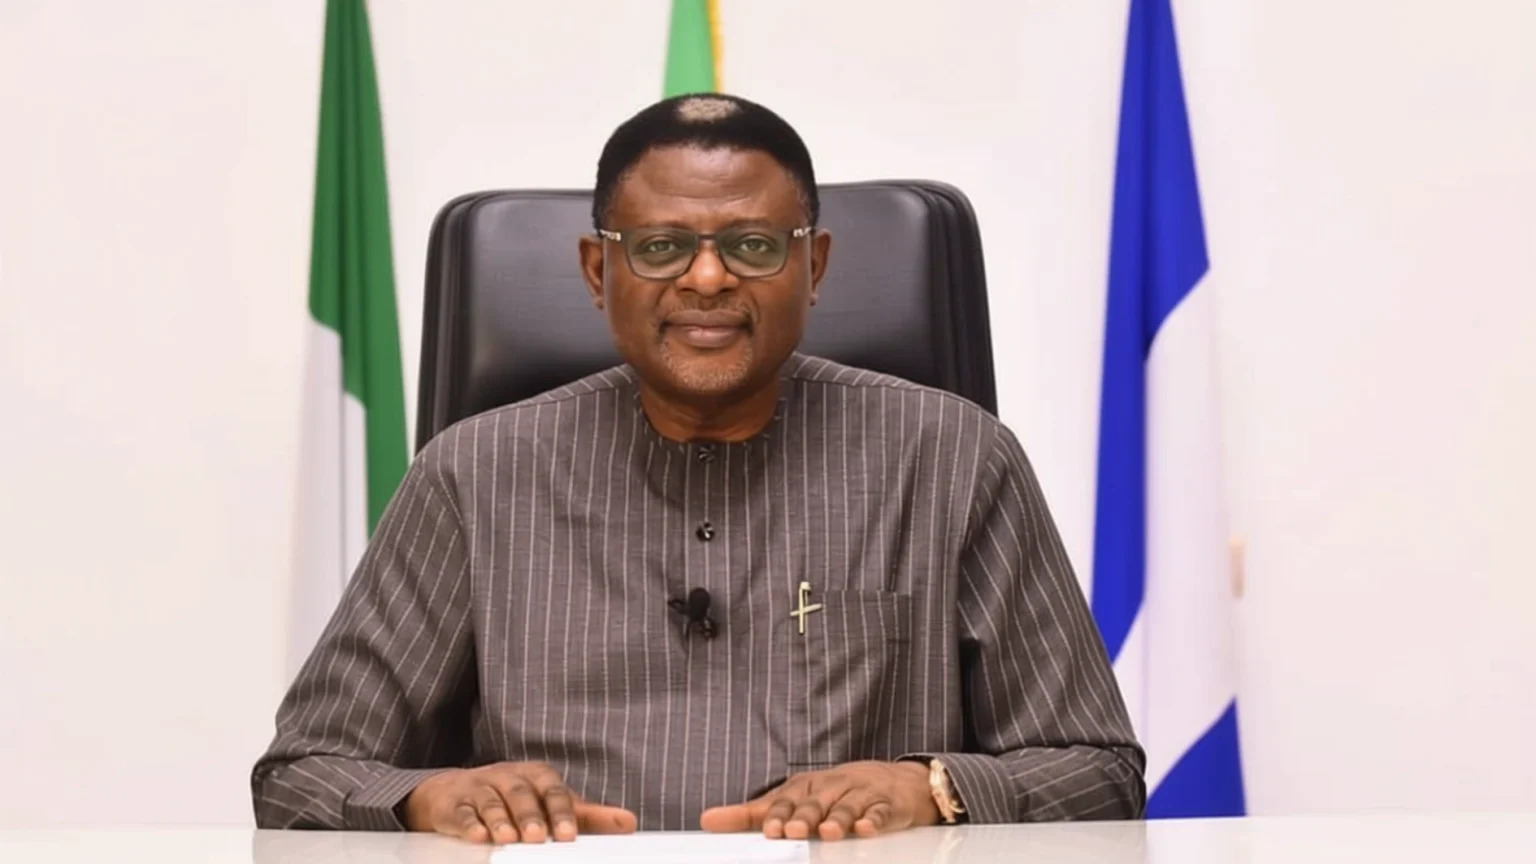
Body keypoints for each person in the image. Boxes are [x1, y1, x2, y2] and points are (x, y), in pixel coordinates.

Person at [252, 93, 1145, 843]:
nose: (708, 278)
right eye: (660, 247)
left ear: (814, 265)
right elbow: (302, 773)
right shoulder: (474, 474)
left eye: (754, 245)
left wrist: (928, 787)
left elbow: (1097, 770)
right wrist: (428, 798)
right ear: (598, 271)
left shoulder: (953, 457)